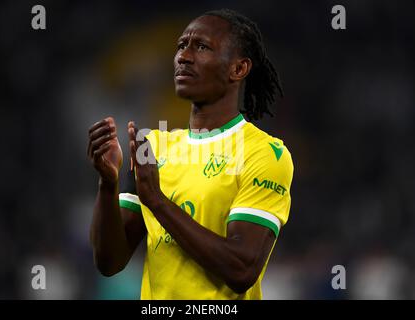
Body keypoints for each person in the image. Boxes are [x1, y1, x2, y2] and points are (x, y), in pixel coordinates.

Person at [87, 8, 294, 300]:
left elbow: (241, 270)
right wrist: (107, 185)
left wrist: (157, 202)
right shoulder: (153, 147)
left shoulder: (265, 154)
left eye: (202, 47)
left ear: (238, 69)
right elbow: (110, 262)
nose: (183, 56)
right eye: (181, 46)